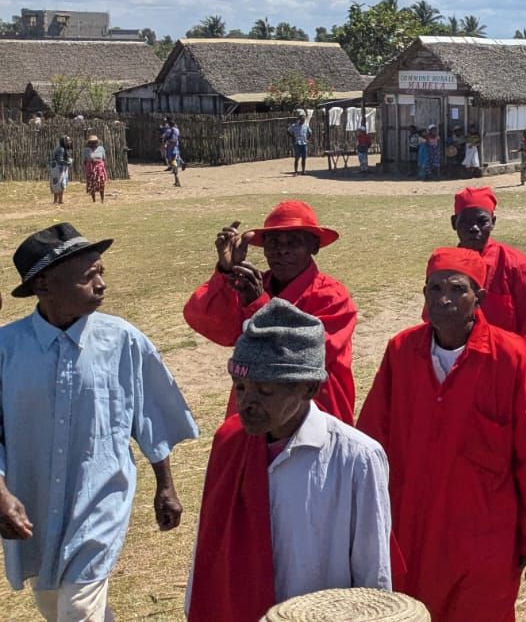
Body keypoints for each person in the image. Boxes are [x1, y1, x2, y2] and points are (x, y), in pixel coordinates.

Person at [357, 248, 526, 622]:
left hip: (485, 532)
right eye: (434, 289)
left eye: (456, 289)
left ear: (479, 297)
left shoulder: (510, 357)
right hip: (414, 526)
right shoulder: (402, 351)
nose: (443, 299)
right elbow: (372, 439)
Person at [3, 225, 198, 622]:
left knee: (77, 608)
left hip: (100, 497)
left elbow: (150, 417)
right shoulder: (7, 350)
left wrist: (166, 485)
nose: (101, 284)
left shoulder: (122, 341)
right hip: (32, 499)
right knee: (55, 603)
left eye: (101, 272)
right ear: (44, 284)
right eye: (87, 276)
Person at [189, 299, 390, 622]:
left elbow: (373, 567)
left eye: (265, 391)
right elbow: (209, 542)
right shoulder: (229, 442)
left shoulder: (356, 458)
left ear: (309, 388)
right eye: (240, 387)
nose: (247, 403)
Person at [184, 201, 360, 422]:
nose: (282, 250)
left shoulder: (332, 297)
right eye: (274, 242)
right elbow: (209, 323)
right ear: (264, 247)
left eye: (295, 242)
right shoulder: (252, 284)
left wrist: (258, 304)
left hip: (313, 414)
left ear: (314, 247)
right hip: (252, 407)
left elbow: (302, 358)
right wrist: (226, 273)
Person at [451, 186, 526, 344]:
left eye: (482, 221)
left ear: (493, 222)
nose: (474, 228)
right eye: (466, 221)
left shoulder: (520, 267)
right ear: (454, 222)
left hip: (504, 362)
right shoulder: (445, 268)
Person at [81, 135, 107, 203]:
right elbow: (84, 160)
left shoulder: (101, 148)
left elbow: (104, 158)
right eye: (92, 142)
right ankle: (94, 200)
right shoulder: (86, 150)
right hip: (91, 169)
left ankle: (102, 199)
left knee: (101, 183)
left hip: (99, 168)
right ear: (89, 142)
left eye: (95, 142)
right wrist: (88, 167)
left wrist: (102, 166)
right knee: (92, 184)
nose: (94, 143)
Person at [46, 137, 71, 205]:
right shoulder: (62, 149)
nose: (70, 142)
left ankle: (55, 200)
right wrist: (68, 163)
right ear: (64, 142)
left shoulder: (59, 148)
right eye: (68, 141)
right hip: (58, 169)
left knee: (56, 184)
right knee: (60, 184)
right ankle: (60, 200)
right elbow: (60, 160)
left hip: (55, 168)